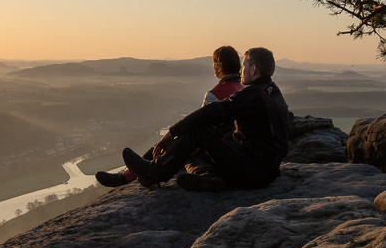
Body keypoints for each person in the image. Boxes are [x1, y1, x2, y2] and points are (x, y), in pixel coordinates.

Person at [120, 46, 290, 192]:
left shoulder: (253, 94)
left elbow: (214, 111)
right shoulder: (272, 91)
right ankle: (208, 178)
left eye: (244, 65)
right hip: (265, 171)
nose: (240, 70)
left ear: (253, 69)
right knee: (211, 135)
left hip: (253, 172)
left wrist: (172, 132)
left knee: (201, 130)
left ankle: (154, 172)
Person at [95, 46, 244, 188]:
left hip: (215, 146)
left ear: (219, 66)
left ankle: (128, 176)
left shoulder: (215, 93)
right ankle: (128, 175)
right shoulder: (244, 91)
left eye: (214, 63)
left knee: (177, 147)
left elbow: (201, 124)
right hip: (232, 147)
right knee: (176, 145)